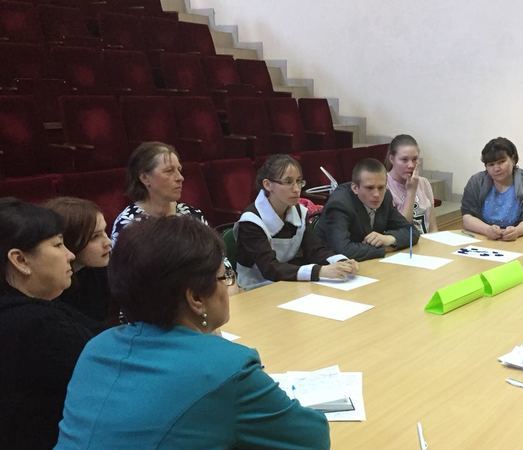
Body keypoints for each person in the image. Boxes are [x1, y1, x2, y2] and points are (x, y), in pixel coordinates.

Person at [56, 216, 331, 449]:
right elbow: (313, 438)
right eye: (224, 276)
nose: (227, 286)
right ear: (196, 298)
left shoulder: (96, 348)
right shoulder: (225, 369)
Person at [0, 198, 96, 450]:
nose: (70, 255)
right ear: (20, 260)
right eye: (58, 244)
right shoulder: (39, 327)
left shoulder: (40, 311)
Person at [235, 154, 359, 289]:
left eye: (299, 181)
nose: (296, 189)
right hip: (255, 287)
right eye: (288, 182)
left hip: (287, 283)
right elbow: (270, 268)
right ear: (268, 185)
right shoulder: (251, 221)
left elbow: (315, 250)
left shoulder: (300, 212)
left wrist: (341, 261)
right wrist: (320, 271)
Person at [315, 157, 420, 261]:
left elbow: (412, 232)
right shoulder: (339, 204)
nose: (376, 194)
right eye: (370, 188)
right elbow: (342, 250)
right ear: (355, 188)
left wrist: (389, 239)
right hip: (330, 265)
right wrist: (385, 249)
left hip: (366, 261)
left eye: (381, 187)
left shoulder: (385, 197)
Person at [111, 141, 207, 244]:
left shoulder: (192, 215)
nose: (180, 178)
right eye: (169, 171)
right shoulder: (128, 224)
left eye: (179, 170)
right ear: (145, 178)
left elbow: (214, 252)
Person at [43, 197, 117, 328]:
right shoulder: (52, 290)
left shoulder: (100, 269)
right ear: (68, 241)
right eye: (95, 237)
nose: (108, 242)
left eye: (104, 232)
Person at [461, 137, 523, 240]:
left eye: (501, 162)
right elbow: (467, 216)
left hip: (518, 239)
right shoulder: (476, 181)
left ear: (513, 160)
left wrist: (517, 231)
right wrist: (487, 230)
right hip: (483, 236)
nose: (496, 169)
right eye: (491, 164)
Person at [385, 134, 438, 233]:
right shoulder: (384, 186)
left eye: (414, 159)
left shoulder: (424, 182)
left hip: (426, 241)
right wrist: (411, 192)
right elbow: (403, 228)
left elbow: (433, 227)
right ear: (392, 159)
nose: (411, 165)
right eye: (404, 160)